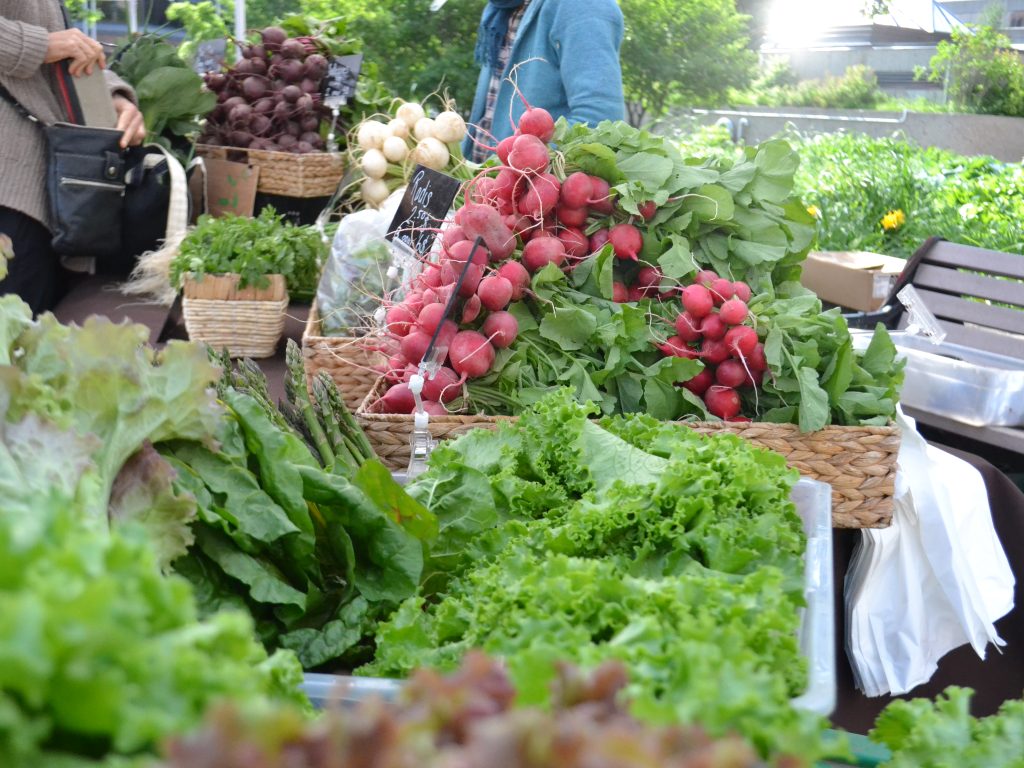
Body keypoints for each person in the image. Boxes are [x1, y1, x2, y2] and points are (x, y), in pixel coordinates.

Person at [0, 3, 146, 315]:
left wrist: (112, 98)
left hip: (39, 195)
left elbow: (58, 59)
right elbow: (50, 44)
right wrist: (40, 44)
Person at [463, 0, 625, 162]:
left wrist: (518, 169)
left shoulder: (582, 5)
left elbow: (600, 120)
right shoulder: (500, 9)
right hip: (482, 180)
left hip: (526, 182)